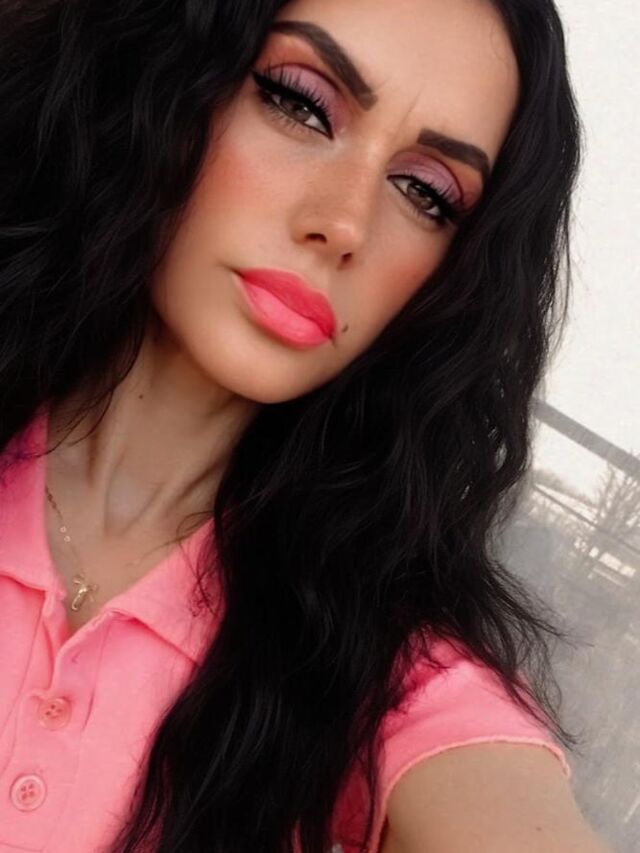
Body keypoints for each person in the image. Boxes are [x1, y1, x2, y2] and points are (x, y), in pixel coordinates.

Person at [0, 0, 613, 851]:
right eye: (300, 103)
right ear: (160, 77)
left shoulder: (386, 676)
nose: (345, 223)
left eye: (425, 192)